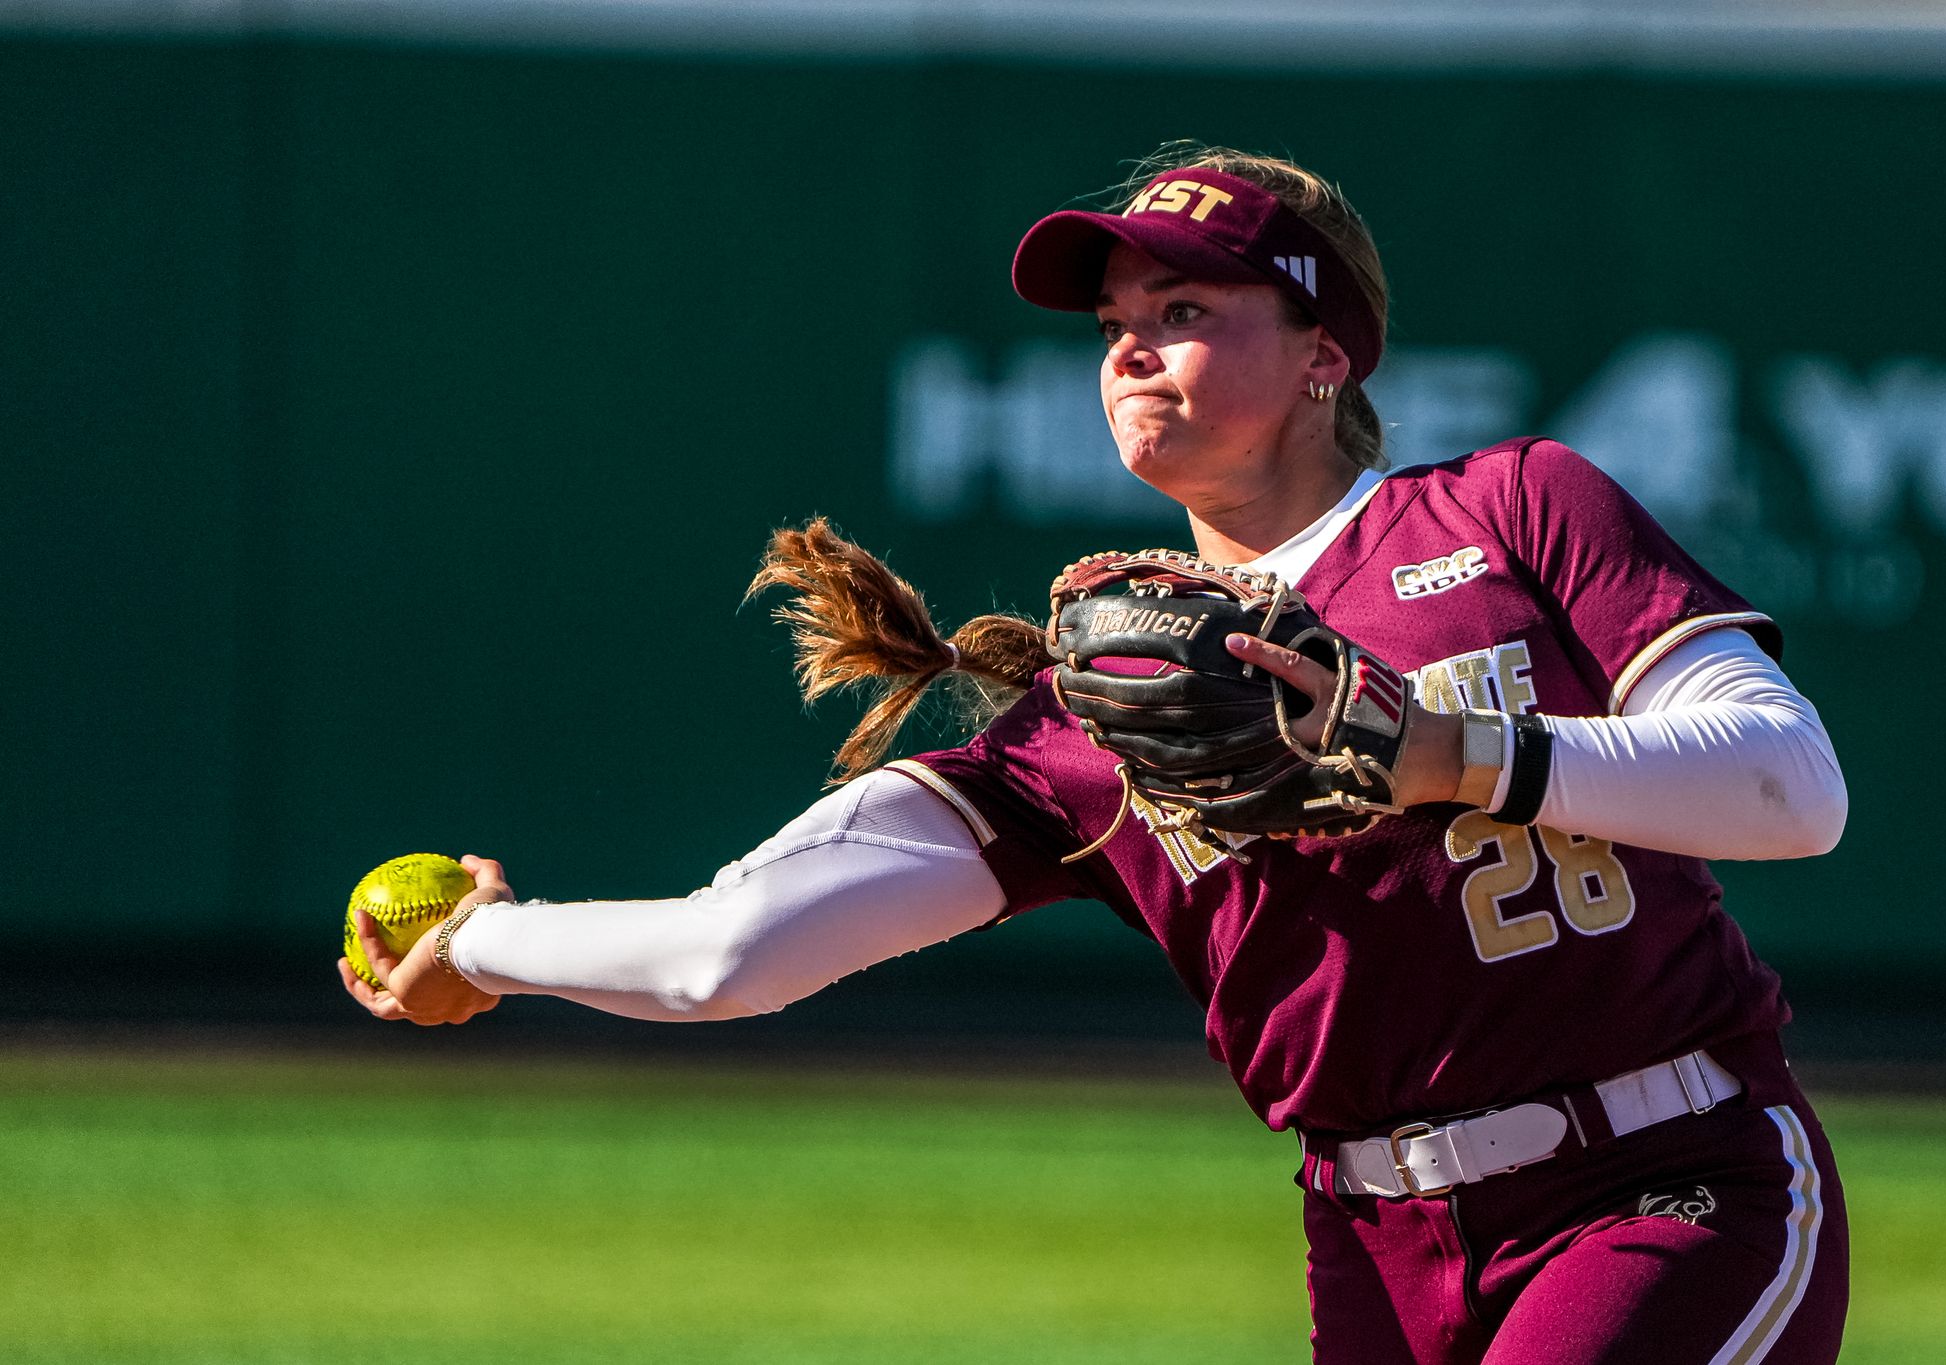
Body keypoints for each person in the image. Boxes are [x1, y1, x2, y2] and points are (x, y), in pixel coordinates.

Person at [341, 144, 1851, 1364]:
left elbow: (1793, 782)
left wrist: (1449, 749)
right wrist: (493, 940)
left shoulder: (1513, 510)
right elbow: (731, 951)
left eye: (1189, 305)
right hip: (1383, 1250)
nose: (1133, 340)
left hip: (1667, 1180)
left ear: (1327, 350)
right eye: (1119, 315)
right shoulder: (1098, 717)